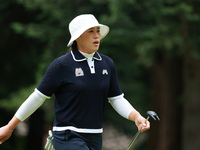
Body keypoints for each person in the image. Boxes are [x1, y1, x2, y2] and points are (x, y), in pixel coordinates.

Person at [0, 14, 150, 150]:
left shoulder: (107, 64)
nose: (96, 35)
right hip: (67, 136)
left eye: (98, 30)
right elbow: (37, 97)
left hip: (95, 137)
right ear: (77, 37)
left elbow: (116, 99)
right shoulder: (62, 65)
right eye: (90, 31)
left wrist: (137, 117)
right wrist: (10, 127)